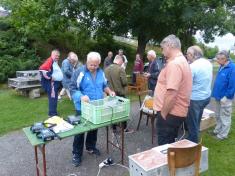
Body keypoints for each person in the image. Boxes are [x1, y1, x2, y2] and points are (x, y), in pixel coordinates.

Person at [69, 52, 115, 167]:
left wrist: (109, 91)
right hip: (82, 107)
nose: (93, 67)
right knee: (80, 131)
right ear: (87, 62)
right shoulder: (79, 72)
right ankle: (76, 154)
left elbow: (104, 85)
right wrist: (81, 96)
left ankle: (90, 147)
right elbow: (72, 88)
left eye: (96, 65)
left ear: (99, 63)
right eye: (91, 65)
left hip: (97, 105)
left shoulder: (101, 72)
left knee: (94, 128)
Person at [153, 34, 192, 145]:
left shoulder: (175, 64)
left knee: (164, 149)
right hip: (175, 113)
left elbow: (172, 93)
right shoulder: (182, 61)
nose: (162, 51)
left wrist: (163, 114)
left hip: (170, 114)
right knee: (170, 146)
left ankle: (168, 162)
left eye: (163, 47)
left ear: (169, 45)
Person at [186, 46, 212, 143]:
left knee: (192, 123)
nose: (186, 55)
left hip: (195, 99)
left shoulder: (193, 66)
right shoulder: (207, 62)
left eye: (188, 53)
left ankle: (193, 143)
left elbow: (187, 84)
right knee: (197, 119)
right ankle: (194, 136)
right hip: (206, 96)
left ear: (193, 55)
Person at [105, 55, 133, 133]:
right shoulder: (121, 69)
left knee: (112, 110)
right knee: (123, 110)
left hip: (110, 93)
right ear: (120, 61)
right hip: (119, 93)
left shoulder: (106, 69)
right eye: (122, 62)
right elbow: (124, 82)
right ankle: (124, 128)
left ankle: (113, 128)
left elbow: (105, 82)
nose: (123, 63)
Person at [211, 50, 235, 140]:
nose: (217, 60)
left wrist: (227, 96)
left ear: (225, 58)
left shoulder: (232, 68)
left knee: (225, 116)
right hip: (218, 96)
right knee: (218, 115)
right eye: (217, 58)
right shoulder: (222, 66)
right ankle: (217, 130)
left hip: (225, 98)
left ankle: (223, 135)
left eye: (219, 59)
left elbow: (232, 84)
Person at [39, 49, 63, 117]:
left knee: (54, 98)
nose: (57, 57)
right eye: (56, 55)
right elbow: (42, 69)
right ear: (52, 55)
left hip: (55, 83)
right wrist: (50, 77)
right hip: (52, 84)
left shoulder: (54, 61)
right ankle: (52, 114)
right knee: (53, 98)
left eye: (58, 56)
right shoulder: (50, 60)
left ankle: (53, 112)